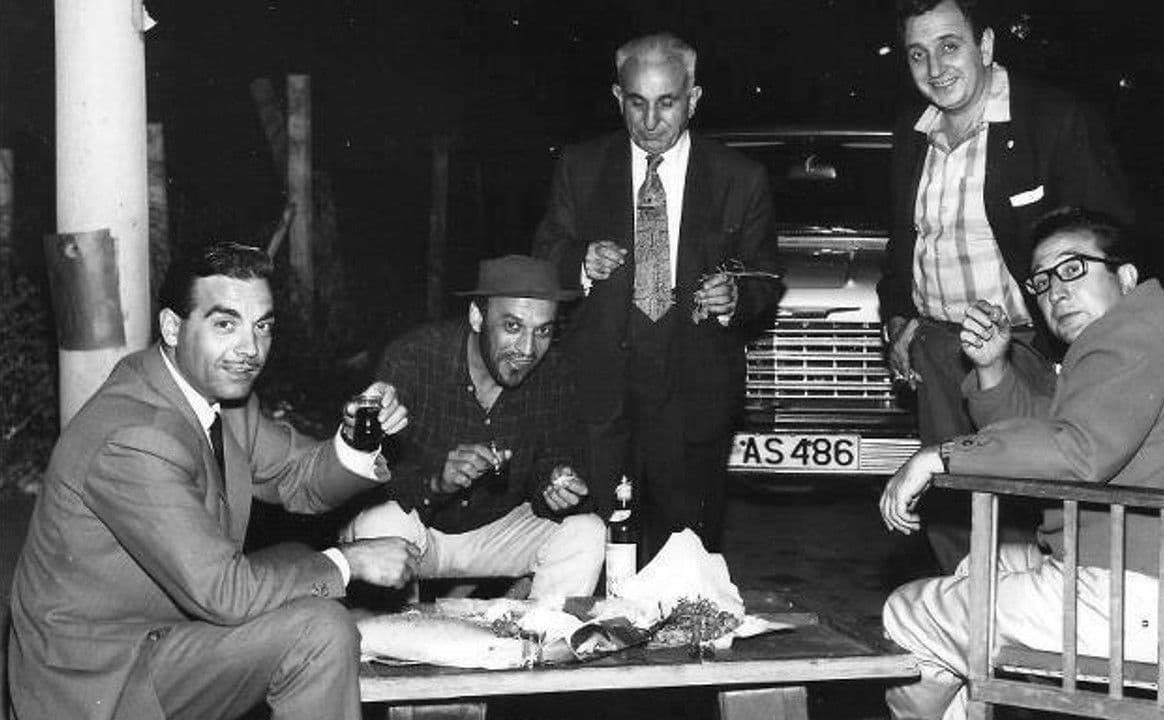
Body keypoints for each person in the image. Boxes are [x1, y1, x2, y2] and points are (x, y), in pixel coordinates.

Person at [7, 242, 421, 720]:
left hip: (163, 629)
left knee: (296, 561)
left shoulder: (218, 399)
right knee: (320, 628)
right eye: (226, 324)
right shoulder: (134, 436)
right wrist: (349, 562)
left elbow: (299, 477)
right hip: (100, 679)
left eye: (262, 326)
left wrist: (355, 438)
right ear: (171, 327)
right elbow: (225, 593)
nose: (250, 350)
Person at [877, 208, 1164, 720]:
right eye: (1042, 281)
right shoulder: (1137, 341)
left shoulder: (1134, 336)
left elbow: (1077, 452)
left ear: (1125, 276)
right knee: (978, 570)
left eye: (1073, 269)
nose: (1055, 291)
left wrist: (940, 457)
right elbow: (1048, 432)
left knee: (910, 612)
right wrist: (993, 369)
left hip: (1147, 607)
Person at [877, 0, 1136, 573]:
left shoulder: (1052, 119)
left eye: (950, 46)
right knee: (952, 516)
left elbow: (1106, 240)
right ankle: (966, 621)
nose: (935, 68)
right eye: (917, 54)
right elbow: (903, 243)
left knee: (1040, 514)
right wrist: (898, 317)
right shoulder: (911, 132)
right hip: (941, 353)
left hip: (1032, 352)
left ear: (986, 45)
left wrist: (1085, 351)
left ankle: (1034, 623)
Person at [533, 32, 781, 559]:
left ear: (693, 99)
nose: (650, 121)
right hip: (601, 394)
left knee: (685, 558)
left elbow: (765, 277)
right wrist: (579, 261)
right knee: (595, 549)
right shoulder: (579, 166)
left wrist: (736, 296)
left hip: (694, 393)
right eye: (636, 103)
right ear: (617, 98)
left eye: (666, 103)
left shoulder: (741, 178)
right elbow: (547, 252)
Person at [344, 255, 605, 600]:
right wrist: (437, 482)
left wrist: (557, 486)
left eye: (543, 330)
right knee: (378, 525)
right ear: (477, 317)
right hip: (421, 530)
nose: (528, 350)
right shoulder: (415, 358)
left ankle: (543, 630)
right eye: (512, 326)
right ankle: (401, 632)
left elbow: (554, 463)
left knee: (587, 531)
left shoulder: (554, 373)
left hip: (497, 533)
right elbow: (373, 477)